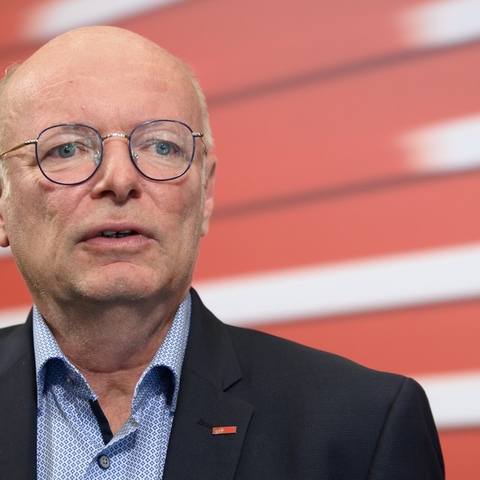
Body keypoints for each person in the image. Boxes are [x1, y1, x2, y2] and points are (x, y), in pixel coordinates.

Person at [0, 26, 444, 479]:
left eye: (162, 146)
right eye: (67, 148)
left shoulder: (366, 428)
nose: (119, 179)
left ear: (206, 194)